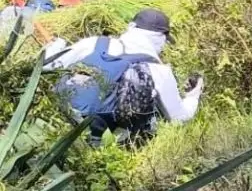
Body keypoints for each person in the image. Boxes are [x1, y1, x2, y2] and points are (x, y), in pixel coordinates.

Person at [43, 9, 202, 146]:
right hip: (95, 138)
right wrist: (193, 97)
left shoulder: (93, 42)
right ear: (161, 38)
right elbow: (178, 118)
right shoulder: (159, 70)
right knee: (153, 117)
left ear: (132, 27)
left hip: (52, 117)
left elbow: (48, 65)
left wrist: (57, 45)